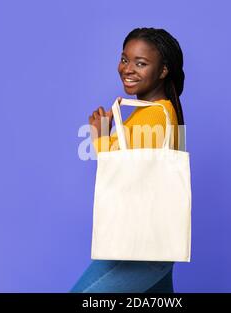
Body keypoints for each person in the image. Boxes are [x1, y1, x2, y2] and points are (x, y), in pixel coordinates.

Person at [70, 27, 186, 293]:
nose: (128, 69)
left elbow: (123, 176)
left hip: (138, 249)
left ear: (164, 70)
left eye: (141, 63)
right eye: (125, 59)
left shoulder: (154, 116)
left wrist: (100, 136)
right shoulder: (163, 112)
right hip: (154, 246)